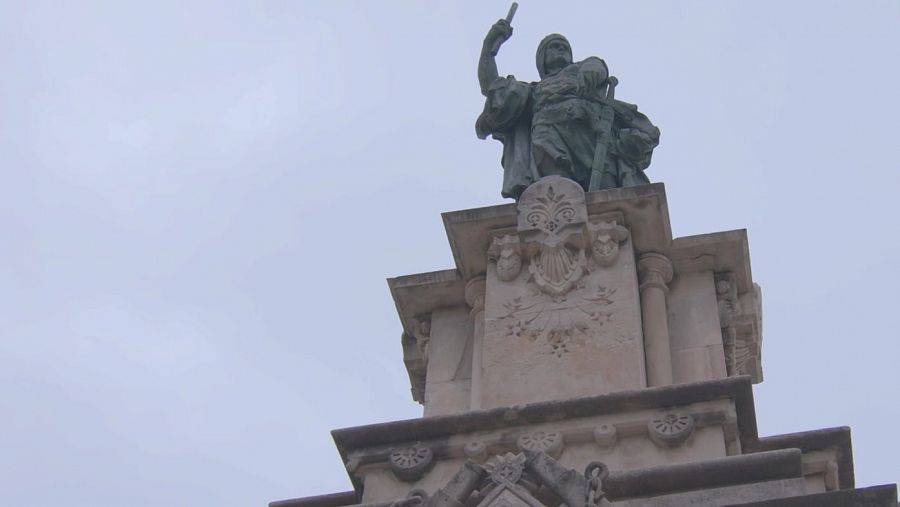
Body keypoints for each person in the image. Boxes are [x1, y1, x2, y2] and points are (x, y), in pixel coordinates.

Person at [476, 19, 661, 200]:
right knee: (555, 193)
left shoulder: (581, 69)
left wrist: (591, 71)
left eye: (564, 47)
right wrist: (488, 48)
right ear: (542, 59)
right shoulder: (532, 91)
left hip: (590, 134)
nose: (561, 49)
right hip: (547, 136)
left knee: (607, 192)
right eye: (555, 46)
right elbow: (493, 89)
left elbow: (597, 65)